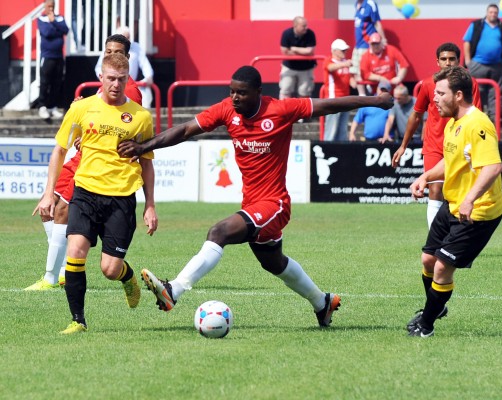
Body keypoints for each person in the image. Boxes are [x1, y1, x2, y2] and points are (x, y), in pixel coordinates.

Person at [117, 65, 393, 328]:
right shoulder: (227, 110)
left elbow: (331, 105)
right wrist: (145, 146)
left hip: (274, 204)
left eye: (242, 92)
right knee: (274, 263)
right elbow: (187, 129)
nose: (235, 97)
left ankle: (173, 291)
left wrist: (376, 100)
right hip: (252, 204)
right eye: (232, 91)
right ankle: (323, 303)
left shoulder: (281, 109)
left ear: (259, 91)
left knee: (219, 232)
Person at [34, 53, 158, 334]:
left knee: (109, 269)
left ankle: (127, 278)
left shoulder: (140, 117)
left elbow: (147, 163)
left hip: (121, 199)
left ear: (129, 80)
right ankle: (78, 320)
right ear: (101, 78)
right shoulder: (82, 108)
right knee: (75, 252)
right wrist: (47, 193)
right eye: (111, 78)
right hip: (86, 193)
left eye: (121, 79)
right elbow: (60, 150)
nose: (116, 84)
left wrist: (150, 205)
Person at [25, 35, 143, 291]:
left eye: (118, 51)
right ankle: (63, 270)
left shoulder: (128, 90)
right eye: (108, 50)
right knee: (49, 208)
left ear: (127, 58)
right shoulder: (103, 85)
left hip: (98, 168)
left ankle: (53, 276)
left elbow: (123, 135)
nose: (112, 54)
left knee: (61, 211)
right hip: (80, 157)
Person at [407, 66, 502, 338]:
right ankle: (435, 308)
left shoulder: (478, 124)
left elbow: (493, 167)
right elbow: (451, 163)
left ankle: (425, 325)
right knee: (428, 260)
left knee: (441, 267)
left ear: (458, 95)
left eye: (440, 93)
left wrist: (470, 200)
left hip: (478, 212)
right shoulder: (452, 123)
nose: (434, 98)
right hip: (454, 204)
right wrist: (425, 177)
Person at [392, 42, 482, 229]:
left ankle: (459, 236)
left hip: (461, 145)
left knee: (460, 190)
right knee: (435, 188)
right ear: (437, 62)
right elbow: (416, 115)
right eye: (444, 59)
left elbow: (476, 114)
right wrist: (403, 145)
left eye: (452, 59)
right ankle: (435, 238)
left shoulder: (470, 84)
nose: (448, 63)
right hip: (435, 145)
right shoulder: (427, 84)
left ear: (459, 61)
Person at [463, 3, 502, 120]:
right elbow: (466, 42)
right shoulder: (477, 24)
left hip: (497, 66)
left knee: (496, 94)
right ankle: (475, 119)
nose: (493, 14)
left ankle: (493, 121)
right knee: (476, 92)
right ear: (487, 13)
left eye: (495, 12)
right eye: (491, 12)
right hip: (477, 64)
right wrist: (468, 61)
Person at [95, 26, 154, 108]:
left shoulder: (131, 90)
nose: (113, 56)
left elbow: (146, 66)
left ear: (127, 56)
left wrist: (148, 78)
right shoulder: (111, 47)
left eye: (119, 52)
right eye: (109, 52)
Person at [36, 0, 69, 120]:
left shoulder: (59, 18)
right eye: (48, 6)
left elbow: (65, 30)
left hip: (59, 56)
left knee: (57, 82)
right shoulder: (41, 19)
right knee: (45, 82)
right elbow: (47, 32)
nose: (51, 8)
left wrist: (53, 22)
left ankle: (52, 106)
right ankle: (42, 106)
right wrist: (55, 28)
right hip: (47, 56)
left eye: (52, 6)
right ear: (45, 7)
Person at [351, 0, 387, 96]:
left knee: (366, 71)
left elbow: (377, 23)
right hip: (358, 45)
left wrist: (383, 39)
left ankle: (370, 93)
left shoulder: (370, 3)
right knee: (356, 71)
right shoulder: (356, 4)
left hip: (367, 44)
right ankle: (361, 95)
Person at [323, 38, 355, 141]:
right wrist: (344, 64)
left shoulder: (345, 62)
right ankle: (327, 150)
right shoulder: (329, 60)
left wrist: (355, 82)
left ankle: (341, 152)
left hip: (345, 99)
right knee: (331, 129)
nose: (345, 52)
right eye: (342, 50)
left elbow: (350, 79)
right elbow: (330, 68)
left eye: (345, 50)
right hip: (333, 99)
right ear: (334, 51)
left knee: (342, 129)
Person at [279, 16, 317, 99]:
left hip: (306, 68)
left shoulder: (310, 34)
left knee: (304, 92)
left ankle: (303, 111)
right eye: (303, 26)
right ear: (295, 26)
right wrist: (304, 52)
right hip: (289, 67)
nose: (306, 28)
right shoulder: (287, 33)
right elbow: (284, 51)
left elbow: (310, 51)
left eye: (306, 25)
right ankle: (284, 111)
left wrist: (294, 48)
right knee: (286, 89)